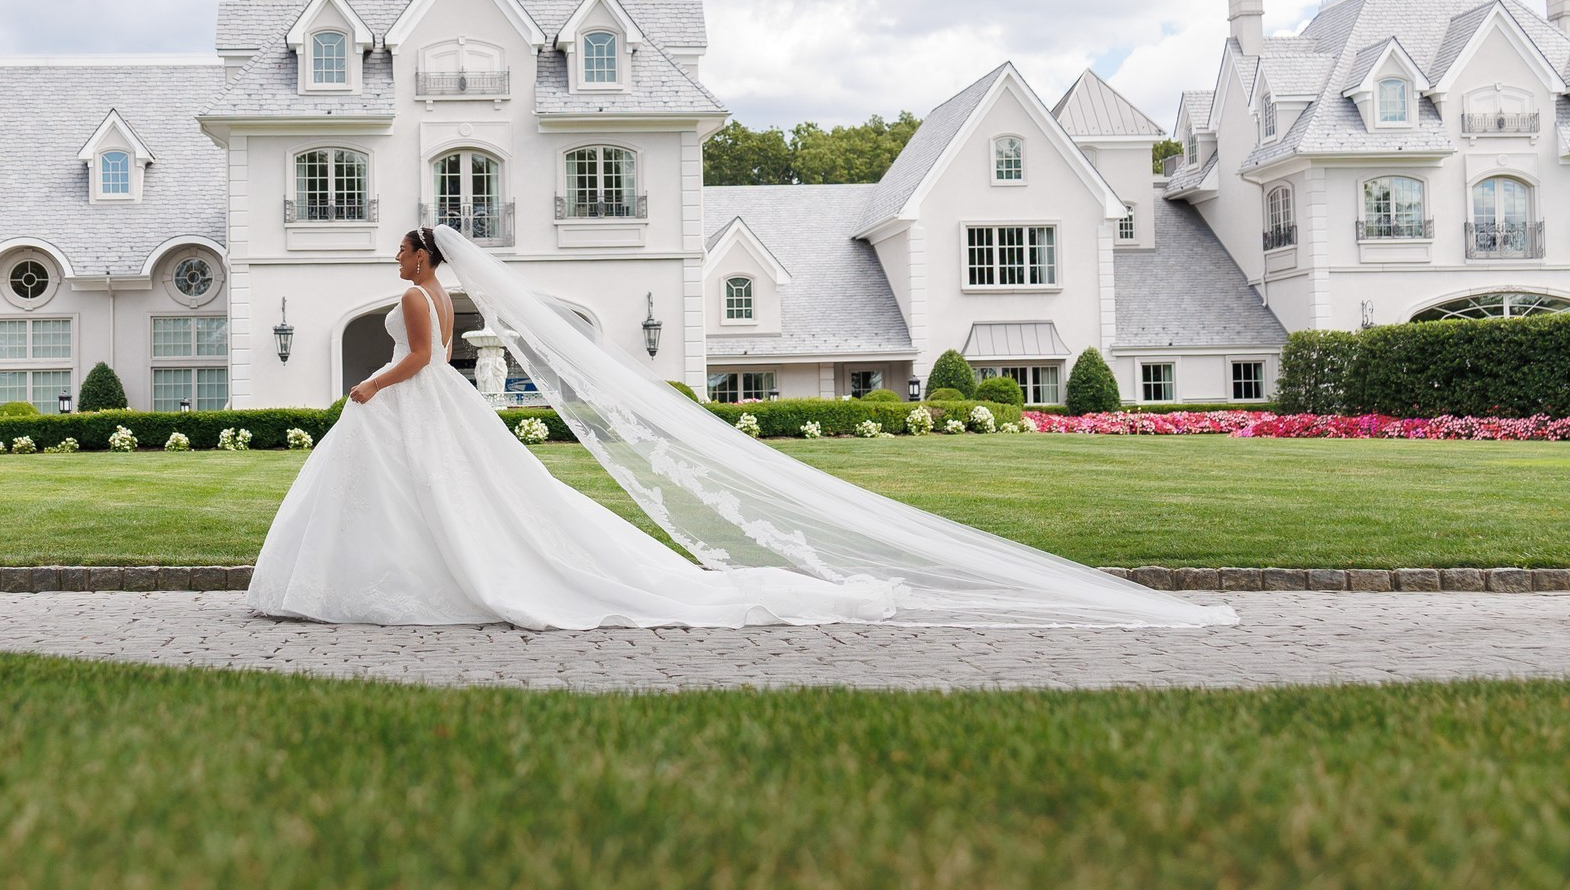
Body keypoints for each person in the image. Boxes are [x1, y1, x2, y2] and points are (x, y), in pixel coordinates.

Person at [248, 225, 1234, 632]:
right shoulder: (423, 292)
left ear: (425, 256)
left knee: (453, 501)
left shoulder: (423, 303)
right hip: (414, 414)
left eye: (405, 244)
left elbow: (425, 360)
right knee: (433, 501)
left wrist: (372, 386)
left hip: (410, 406)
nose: (396, 250)